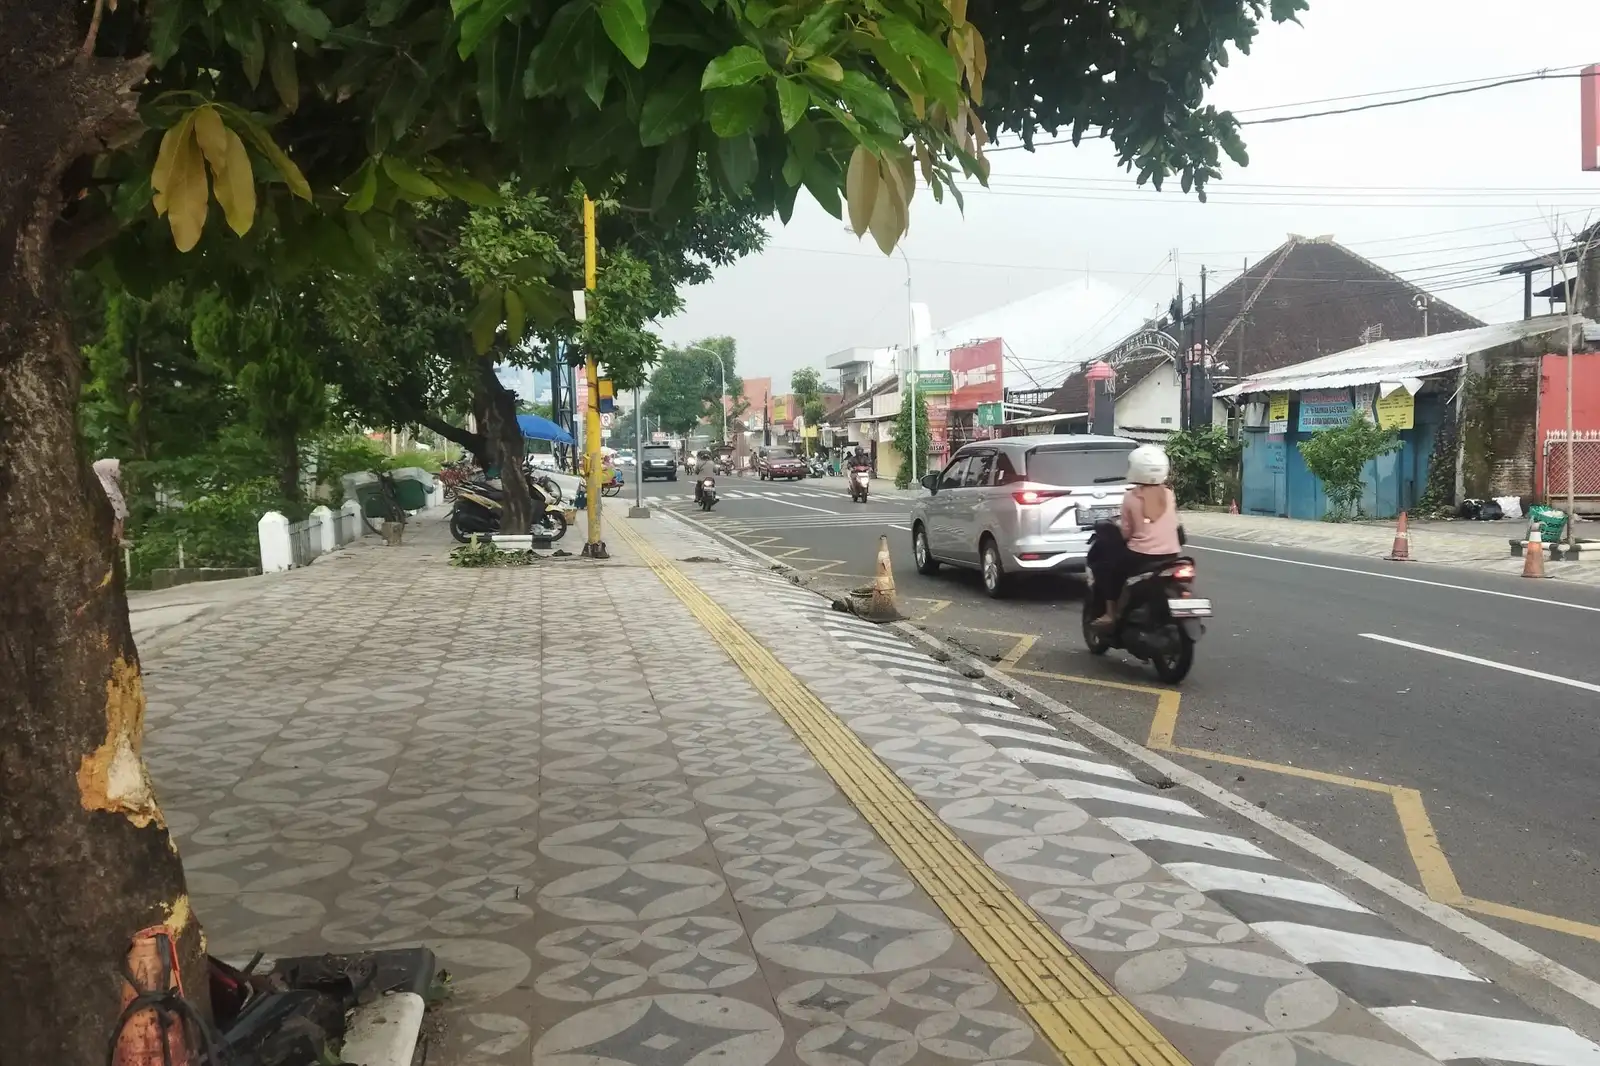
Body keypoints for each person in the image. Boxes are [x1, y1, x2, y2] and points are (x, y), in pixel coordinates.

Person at [1091, 445, 1181, 630]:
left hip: (1141, 556)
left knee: (1110, 571)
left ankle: (1110, 613)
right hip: (1171, 555)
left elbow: (1126, 533)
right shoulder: (1169, 494)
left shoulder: (1131, 497)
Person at [93, 457, 128, 545]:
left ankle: (120, 537)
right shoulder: (104, 487)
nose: (118, 473)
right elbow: (115, 510)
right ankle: (118, 537)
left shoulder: (112, 485)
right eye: (115, 470)